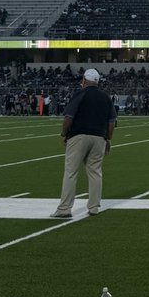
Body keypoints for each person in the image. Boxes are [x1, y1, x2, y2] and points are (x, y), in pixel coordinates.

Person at [50, 69, 117, 219]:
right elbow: (112, 122)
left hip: (79, 136)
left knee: (71, 172)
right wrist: (108, 138)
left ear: (84, 80)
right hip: (99, 137)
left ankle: (65, 208)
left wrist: (64, 133)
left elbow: (68, 117)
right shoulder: (105, 97)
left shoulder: (80, 94)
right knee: (95, 172)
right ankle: (94, 207)